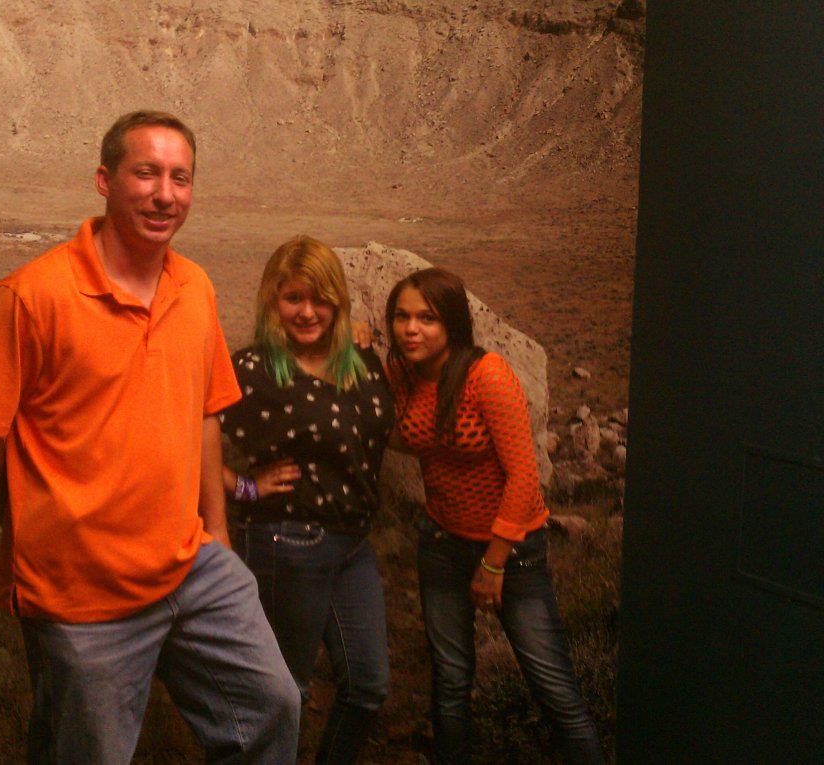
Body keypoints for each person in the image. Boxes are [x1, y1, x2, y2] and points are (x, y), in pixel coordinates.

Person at [0, 110, 300, 764]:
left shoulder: (194, 288)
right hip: (81, 595)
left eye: (180, 178)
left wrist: (217, 531)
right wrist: (23, 516)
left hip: (189, 565)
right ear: (105, 180)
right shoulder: (32, 296)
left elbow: (205, 411)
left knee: (272, 707)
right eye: (146, 173)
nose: (165, 194)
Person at [385, 267, 604, 764]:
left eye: (427, 318)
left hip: (511, 550)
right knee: (450, 682)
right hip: (442, 541)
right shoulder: (403, 374)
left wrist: (493, 561)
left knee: (553, 687)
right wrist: (355, 344)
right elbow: (401, 432)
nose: (411, 329)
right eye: (401, 316)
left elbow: (525, 476)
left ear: (453, 324)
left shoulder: (487, 376)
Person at [218, 236, 393, 763]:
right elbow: (183, 435)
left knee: (367, 687)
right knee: (282, 692)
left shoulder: (359, 358)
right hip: (288, 542)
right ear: (273, 301)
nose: (308, 312)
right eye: (294, 298)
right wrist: (244, 486)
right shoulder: (252, 369)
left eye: (321, 298)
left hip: (353, 545)